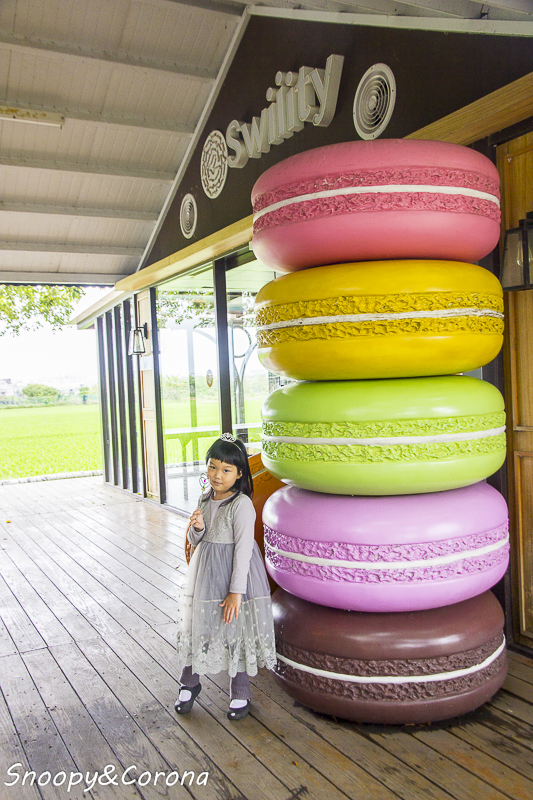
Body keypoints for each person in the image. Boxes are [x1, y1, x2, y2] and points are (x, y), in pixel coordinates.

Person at [175, 433, 276, 721]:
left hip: (235, 574)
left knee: (236, 630)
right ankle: (189, 682)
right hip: (207, 573)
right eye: (212, 467)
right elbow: (197, 541)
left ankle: (240, 691)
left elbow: (243, 550)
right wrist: (197, 528)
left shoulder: (241, 504)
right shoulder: (205, 498)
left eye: (226, 469)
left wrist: (236, 592)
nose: (217, 475)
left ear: (239, 473)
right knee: (199, 625)